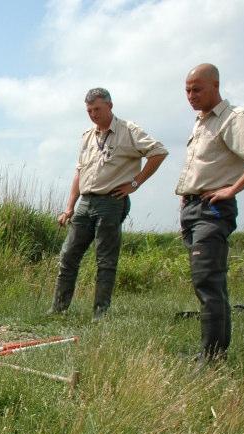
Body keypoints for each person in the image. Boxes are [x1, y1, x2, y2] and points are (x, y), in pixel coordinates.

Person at [50, 88, 168, 321]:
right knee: (68, 255)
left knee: (105, 259)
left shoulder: (128, 130)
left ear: (110, 106)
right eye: (89, 110)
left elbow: (158, 152)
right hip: (86, 201)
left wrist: (136, 182)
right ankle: (58, 309)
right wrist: (69, 207)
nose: (93, 114)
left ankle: (100, 313)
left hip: (111, 201)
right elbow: (79, 172)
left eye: (97, 109)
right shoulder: (87, 135)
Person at [176, 64, 244, 362]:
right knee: (203, 280)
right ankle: (211, 351)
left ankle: (213, 357)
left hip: (213, 211)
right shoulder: (201, 122)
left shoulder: (233, 119)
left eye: (197, 89)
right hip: (193, 209)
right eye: (187, 90)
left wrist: (231, 190)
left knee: (208, 280)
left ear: (215, 86)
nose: (191, 95)